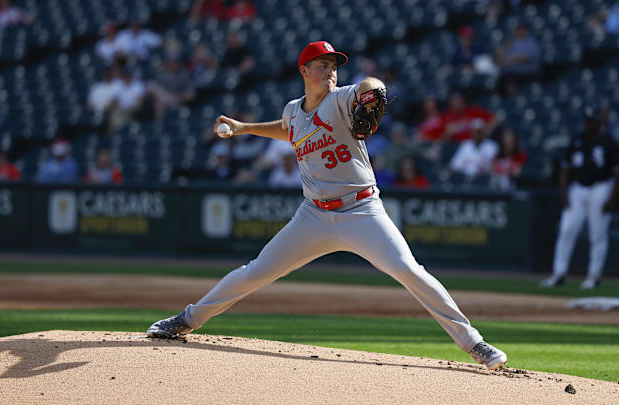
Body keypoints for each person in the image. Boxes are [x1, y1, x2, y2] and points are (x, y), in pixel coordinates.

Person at [146, 41, 507, 371]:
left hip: (361, 210)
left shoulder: (341, 99)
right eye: (322, 65)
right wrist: (242, 128)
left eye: (334, 66)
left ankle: (474, 343)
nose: (331, 71)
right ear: (304, 71)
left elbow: (371, 85)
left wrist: (373, 95)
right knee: (256, 271)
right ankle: (187, 319)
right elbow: (287, 127)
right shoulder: (294, 111)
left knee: (410, 271)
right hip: (313, 215)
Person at [540, 107, 619, 290]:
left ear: (600, 122)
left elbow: (616, 174)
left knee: (597, 234)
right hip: (577, 189)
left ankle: (593, 276)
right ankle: (558, 274)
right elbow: (565, 169)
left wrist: (612, 198)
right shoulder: (577, 140)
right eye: (587, 121)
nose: (589, 124)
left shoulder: (610, 143)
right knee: (567, 230)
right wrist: (563, 192)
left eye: (592, 121)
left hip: (600, 187)